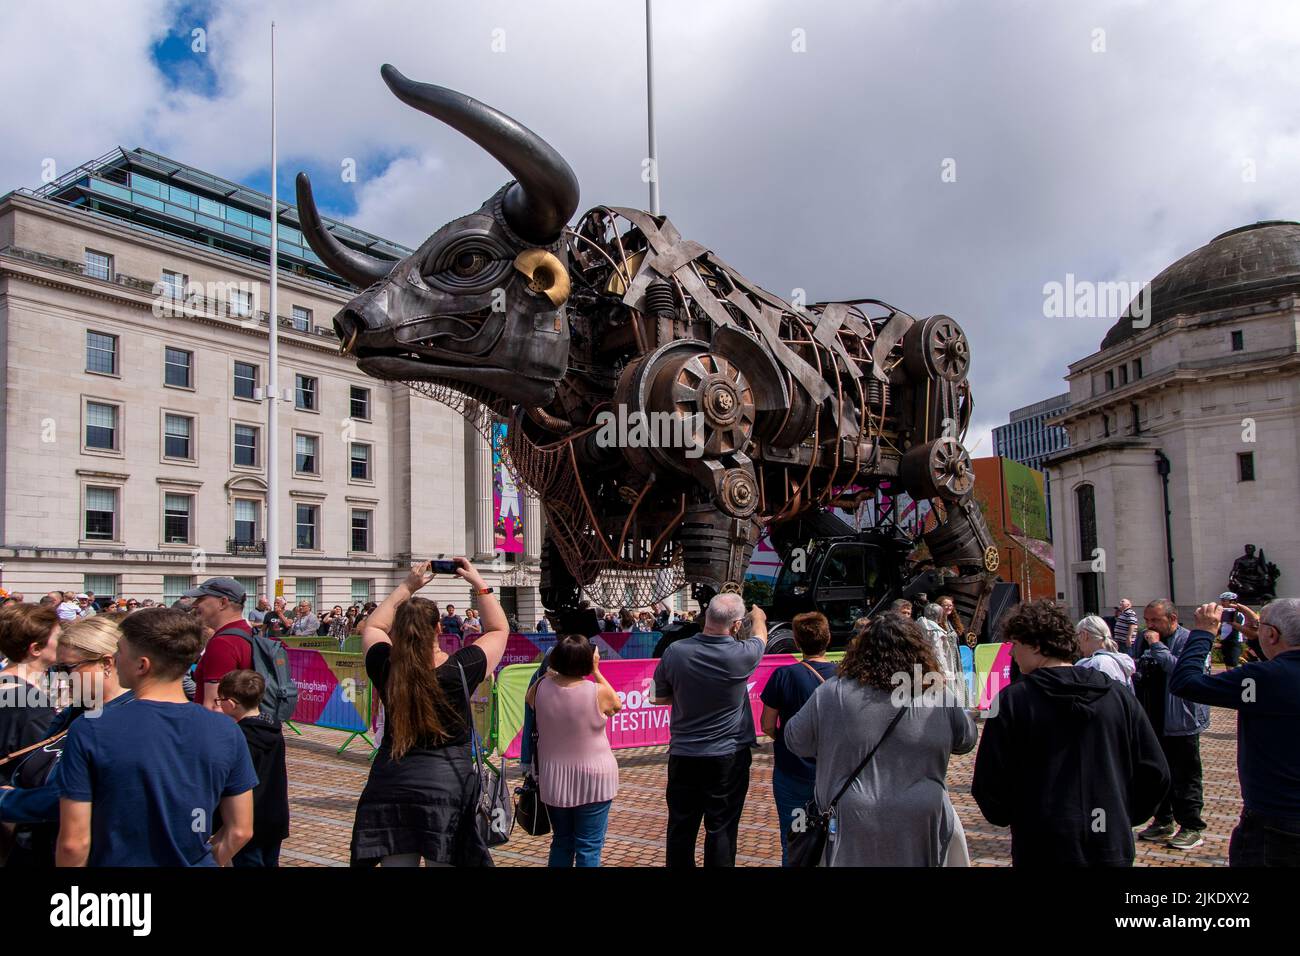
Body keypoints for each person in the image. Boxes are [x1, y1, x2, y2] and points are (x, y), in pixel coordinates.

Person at [971, 600, 1169, 866]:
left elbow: (990, 782)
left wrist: (1015, 814)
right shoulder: (1117, 695)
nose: (1011, 655)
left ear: (1037, 646)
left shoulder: (1014, 701)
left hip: (1044, 842)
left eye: (1015, 645)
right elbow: (1155, 770)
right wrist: (1121, 812)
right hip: (1107, 841)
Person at [55, 608, 256, 866]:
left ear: (142, 665)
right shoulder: (227, 729)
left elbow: (74, 843)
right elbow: (240, 830)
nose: (114, 659)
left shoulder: (90, 729)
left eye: (120, 651)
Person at [351, 558, 509, 866]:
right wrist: (479, 583)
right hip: (447, 787)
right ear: (439, 627)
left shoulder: (385, 666)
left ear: (398, 629)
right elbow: (498, 628)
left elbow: (373, 626)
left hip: (391, 785)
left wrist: (407, 586)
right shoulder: (462, 667)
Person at [784, 613, 975, 866]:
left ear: (861, 650)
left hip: (855, 816)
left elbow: (795, 740)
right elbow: (967, 739)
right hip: (923, 814)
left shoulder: (833, 692)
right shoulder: (938, 693)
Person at [1166, 600, 1300, 865]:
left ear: (1272, 634)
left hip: (1276, 820)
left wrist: (1203, 632)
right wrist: (1258, 639)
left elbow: (1185, 682)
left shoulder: (1263, 679)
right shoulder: (1269, 678)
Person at [0, 616, 131, 867]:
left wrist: (8, 801)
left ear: (106, 662)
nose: (59, 678)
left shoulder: (124, 719)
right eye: (55, 669)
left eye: (66, 669)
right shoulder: (78, 711)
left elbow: (68, 799)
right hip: (36, 846)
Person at [652, 593, 766, 867]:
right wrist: (757, 614)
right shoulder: (742, 654)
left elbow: (656, 696)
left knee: (681, 829)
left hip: (684, 754)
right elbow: (761, 634)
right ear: (737, 626)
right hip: (727, 757)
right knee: (722, 828)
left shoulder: (675, 651)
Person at [525, 634, 621, 866]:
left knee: (562, 841)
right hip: (596, 778)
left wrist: (551, 676)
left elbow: (530, 702)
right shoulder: (597, 691)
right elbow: (616, 705)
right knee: (589, 846)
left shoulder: (538, 688)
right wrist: (596, 671)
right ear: (588, 661)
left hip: (554, 778)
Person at [759, 611, 838, 865]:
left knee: (794, 838)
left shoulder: (785, 676)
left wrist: (785, 738)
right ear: (828, 638)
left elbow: (767, 724)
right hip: (835, 771)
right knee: (835, 841)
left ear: (796, 640)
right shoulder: (844, 676)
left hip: (793, 769)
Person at [1133, 599, 1211, 849]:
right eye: (1147, 620)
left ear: (1173, 619)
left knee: (1185, 775)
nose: (1150, 626)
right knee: (1159, 774)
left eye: (1155, 620)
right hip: (1152, 718)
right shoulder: (1143, 640)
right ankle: (1163, 820)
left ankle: (1191, 826)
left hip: (1180, 721)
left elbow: (1186, 671)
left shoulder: (1188, 640)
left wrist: (1156, 647)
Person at [216, 670, 290, 867]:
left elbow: (234, 783)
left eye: (219, 700)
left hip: (250, 819)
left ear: (230, 704)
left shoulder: (240, 738)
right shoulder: (273, 728)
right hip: (276, 817)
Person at [0, 604, 60, 786]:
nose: (65, 643)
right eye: (59, 638)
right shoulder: (31, 704)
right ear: (35, 649)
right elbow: (41, 772)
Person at [187, 577, 258, 712]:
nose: (194, 604)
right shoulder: (248, 633)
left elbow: (214, 706)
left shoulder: (223, 643)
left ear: (222, 602)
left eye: (201, 599)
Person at [1075, 615, 1135, 688]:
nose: (1077, 642)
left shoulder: (1093, 664)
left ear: (1084, 635)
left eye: (1077, 636)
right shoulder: (1122, 662)